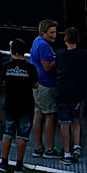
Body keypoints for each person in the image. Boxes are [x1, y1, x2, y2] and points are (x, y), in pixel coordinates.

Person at [54, 27, 87, 164]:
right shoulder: (83, 54)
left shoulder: (60, 54)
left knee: (64, 123)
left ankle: (67, 153)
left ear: (65, 39)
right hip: (77, 94)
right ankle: (77, 146)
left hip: (61, 93)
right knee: (75, 121)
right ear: (77, 40)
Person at [0, 38, 38, 173]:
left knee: (8, 133)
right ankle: (19, 165)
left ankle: (3, 163)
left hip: (10, 104)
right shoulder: (30, 68)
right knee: (22, 135)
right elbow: (36, 84)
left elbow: (4, 82)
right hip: (26, 105)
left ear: (11, 51)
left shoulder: (6, 66)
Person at [30, 19, 60, 159]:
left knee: (38, 113)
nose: (55, 35)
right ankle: (49, 149)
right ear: (43, 33)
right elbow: (47, 66)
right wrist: (59, 58)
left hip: (37, 83)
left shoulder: (37, 41)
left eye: (55, 32)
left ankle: (38, 147)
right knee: (50, 114)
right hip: (45, 84)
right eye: (51, 33)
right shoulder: (44, 46)